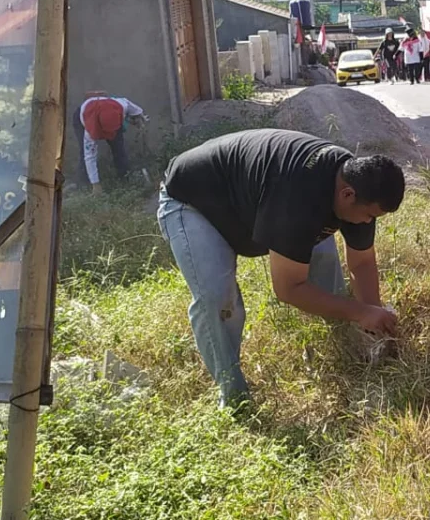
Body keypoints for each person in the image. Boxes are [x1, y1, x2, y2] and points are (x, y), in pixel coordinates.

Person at [158, 129, 405, 409]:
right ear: (347, 195)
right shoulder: (296, 196)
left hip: (253, 201)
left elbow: (361, 261)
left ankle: (347, 348)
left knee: (323, 261)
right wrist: (360, 312)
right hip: (194, 203)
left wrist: (376, 322)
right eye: (370, 216)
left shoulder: (359, 183)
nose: (368, 222)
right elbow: (288, 289)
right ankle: (235, 397)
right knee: (217, 298)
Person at [74, 93, 145, 193]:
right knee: (84, 153)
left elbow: (137, 111)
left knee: (119, 150)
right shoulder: (89, 131)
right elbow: (90, 156)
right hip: (86, 115)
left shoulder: (122, 105)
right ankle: (84, 186)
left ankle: (125, 181)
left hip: (110, 115)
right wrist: (96, 184)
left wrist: (139, 118)